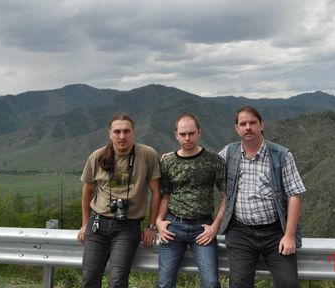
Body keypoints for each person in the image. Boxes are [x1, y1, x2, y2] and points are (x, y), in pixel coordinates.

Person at [219, 106, 306, 288]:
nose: (248, 127)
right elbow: (205, 163)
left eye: (252, 123)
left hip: (275, 231)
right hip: (240, 231)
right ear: (237, 128)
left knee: (288, 284)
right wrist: (177, 154)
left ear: (261, 125)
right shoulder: (229, 153)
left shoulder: (281, 155)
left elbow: (294, 195)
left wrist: (289, 236)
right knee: (239, 284)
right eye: (243, 124)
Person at [77, 113, 161, 288]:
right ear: (110, 133)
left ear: (134, 133)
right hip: (98, 224)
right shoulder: (98, 156)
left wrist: (151, 226)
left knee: (117, 281)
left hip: (128, 226)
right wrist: (85, 223)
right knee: (89, 279)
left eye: (126, 131)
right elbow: (87, 191)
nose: (122, 136)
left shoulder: (147, 155)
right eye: (117, 131)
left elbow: (156, 192)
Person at [156, 113, 226, 288]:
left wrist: (215, 227)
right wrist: (158, 221)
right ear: (176, 135)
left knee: (211, 283)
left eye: (191, 133)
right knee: (164, 283)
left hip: (202, 229)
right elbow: (165, 195)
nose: (187, 138)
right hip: (173, 226)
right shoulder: (168, 162)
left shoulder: (214, 161)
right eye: (183, 134)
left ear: (199, 133)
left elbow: (227, 196)